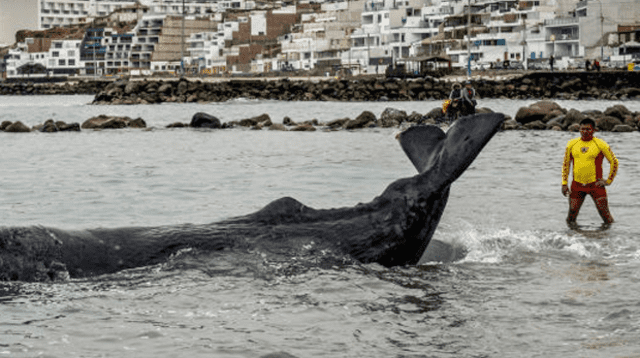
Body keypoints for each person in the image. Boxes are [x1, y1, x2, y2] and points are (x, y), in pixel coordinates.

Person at [561, 118, 619, 226]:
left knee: (606, 216)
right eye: (582, 129)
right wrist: (564, 184)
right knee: (571, 216)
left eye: (588, 129)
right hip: (577, 185)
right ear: (579, 129)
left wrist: (608, 180)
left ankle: (609, 239)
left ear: (594, 130)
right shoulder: (572, 144)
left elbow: (614, 162)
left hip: (595, 185)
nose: (585, 132)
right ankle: (571, 238)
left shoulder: (600, 144)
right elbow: (566, 165)